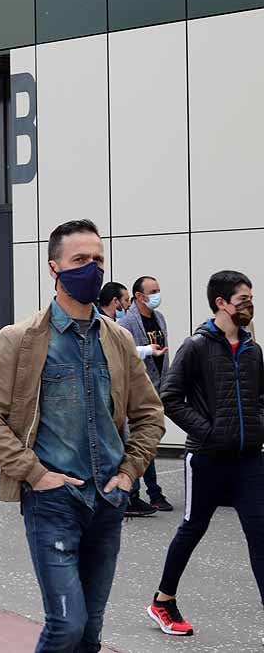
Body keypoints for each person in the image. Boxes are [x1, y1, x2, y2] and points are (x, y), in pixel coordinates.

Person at [0, 219, 164, 652]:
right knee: (66, 625)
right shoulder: (19, 340)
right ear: (54, 268)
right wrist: (34, 474)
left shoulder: (118, 337)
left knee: (90, 634)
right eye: (80, 260)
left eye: (98, 259)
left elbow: (150, 415)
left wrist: (130, 473)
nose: (91, 268)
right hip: (54, 500)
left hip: (108, 500)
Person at [147, 270, 264, 637]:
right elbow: (170, 397)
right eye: (243, 300)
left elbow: (261, 399)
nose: (250, 305)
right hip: (207, 458)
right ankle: (163, 601)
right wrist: (209, 432)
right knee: (193, 527)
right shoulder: (196, 346)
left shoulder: (252, 349)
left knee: (260, 531)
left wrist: (258, 426)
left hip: (249, 458)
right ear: (222, 303)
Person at [118, 276, 173, 514]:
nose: (157, 294)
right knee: (139, 441)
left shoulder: (159, 318)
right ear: (139, 296)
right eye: (153, 291)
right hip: (137, 391)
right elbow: (124, 355)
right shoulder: (127, 323)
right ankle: (139, 493)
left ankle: (151, 493)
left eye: (158, 290)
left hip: (158, 386)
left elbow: (164, 356)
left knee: (149, 440)